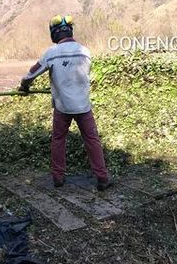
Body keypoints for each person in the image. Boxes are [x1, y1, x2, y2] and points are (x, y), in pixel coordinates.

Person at [19, 14, 111, 190]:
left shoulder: (51, 53)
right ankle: (102, 177)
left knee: (58, 140)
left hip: (62, 108)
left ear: (54, 34)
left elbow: (31, 74)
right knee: (92, 140)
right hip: (84, 106)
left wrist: (24, 86)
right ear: (71, 31)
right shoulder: (85, 51)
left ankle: (58, 178)